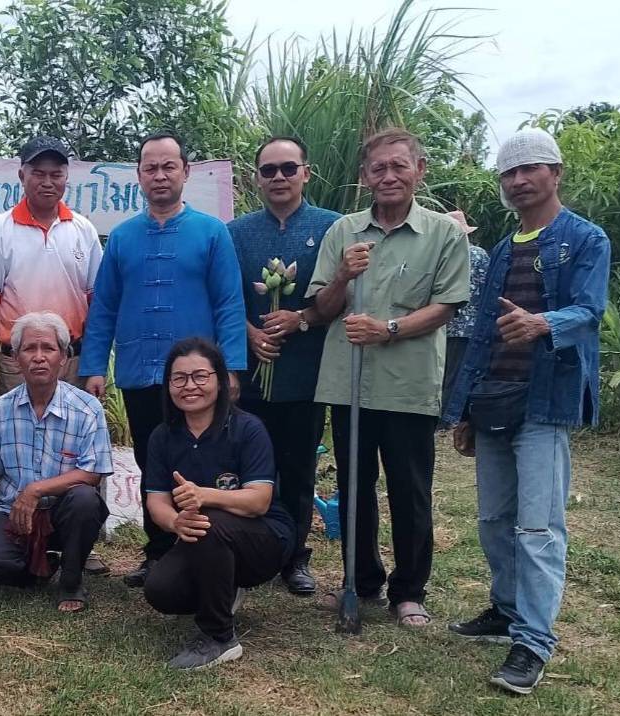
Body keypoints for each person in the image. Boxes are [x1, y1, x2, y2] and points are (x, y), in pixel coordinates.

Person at [444, 128, 610, 695]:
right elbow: (483, 336)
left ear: (555, 173)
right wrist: (464, 409)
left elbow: (589, 310)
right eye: (509, 173)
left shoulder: (584, 239)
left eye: (530, 169)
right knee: (493, 521)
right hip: (495, 400)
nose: (518, 180)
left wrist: (545, 324)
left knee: (538, 528)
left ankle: (533, 642)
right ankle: (505, 609)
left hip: (544, 404)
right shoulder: (501, 249)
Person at [306, 128, 469, 628]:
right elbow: (321, 308)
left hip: (408, 384)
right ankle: (361, 579)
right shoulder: (343, 233)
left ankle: (409, 589)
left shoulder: (443, 234)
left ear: (419, 170)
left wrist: (387, 330)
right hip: (349, 385)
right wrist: (342, 277)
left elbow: (447, 304)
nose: (389, 176)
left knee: (410, 488)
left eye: (399, 166)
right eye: (379, 168)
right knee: (355, 486)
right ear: (364, 177)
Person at [79, 131, 247, 588]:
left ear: (186, 172)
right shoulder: (123, 238)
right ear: (138, 176)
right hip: (140, 371)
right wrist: (93, 366)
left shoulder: (211, 232)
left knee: (203, 461)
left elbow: (229, 303)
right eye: (150, 167)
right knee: (152, 459)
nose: (159, 175)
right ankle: (157, 552)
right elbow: (105, 307)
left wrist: (231, 366)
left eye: (168, 166)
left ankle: (205, 549)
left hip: (197, 379)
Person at [0, 312, 113, 612]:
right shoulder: (0, 410)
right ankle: (38, 568)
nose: (38, 357)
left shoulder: (86, 408)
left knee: (84, 500)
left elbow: (91, 474)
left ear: (64, 357)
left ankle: (71, 579)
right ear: (15, 357)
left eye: (48, 348)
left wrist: (36, 490)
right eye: (29, 349)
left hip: (64, 511)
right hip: (13, 513)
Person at [228, 136, 341, 595]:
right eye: (269, 170)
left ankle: (294, 557)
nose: (279, 177)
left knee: (297, 470)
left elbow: (340, 296)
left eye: (288, 169)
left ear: (306, 173)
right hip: (249, 376)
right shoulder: (236, 232)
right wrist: (250, 334)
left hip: (304, 373)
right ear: (257, 177)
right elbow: (225, 296)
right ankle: (247, 549)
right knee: (245, 468)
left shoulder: (332, 228)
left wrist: (302, 319)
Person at [142, 338, 294, 669]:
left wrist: (205, 495)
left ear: (220, 380)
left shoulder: (247, 429)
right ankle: (224, 588)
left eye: (200, 376)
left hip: (264, 539)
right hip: (202, 536)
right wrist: (174, 523)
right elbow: (156, 501)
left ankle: (219, 637)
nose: (189, 386)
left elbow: (259, 500)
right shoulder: (163, 436)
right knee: (160, 590)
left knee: (207, 518)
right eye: (179, 378)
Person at [0, 136, 102, 400]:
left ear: (66, 178)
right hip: (18, 363)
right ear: (21, 175)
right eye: (38, 173)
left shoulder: (84, 230)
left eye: (56, 174)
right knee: (18, 436)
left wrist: (95, 364)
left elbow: (98, 301)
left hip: (72, 361)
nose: (47, 182)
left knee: (70, 439)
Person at [441, 210, 491, 410]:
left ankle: (442, 412)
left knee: (443, 371)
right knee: (458, 372)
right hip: (469, 326)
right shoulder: (478, 254)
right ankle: (449, 414)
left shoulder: (442, 255)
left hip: (441, 323)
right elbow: (487, 288)